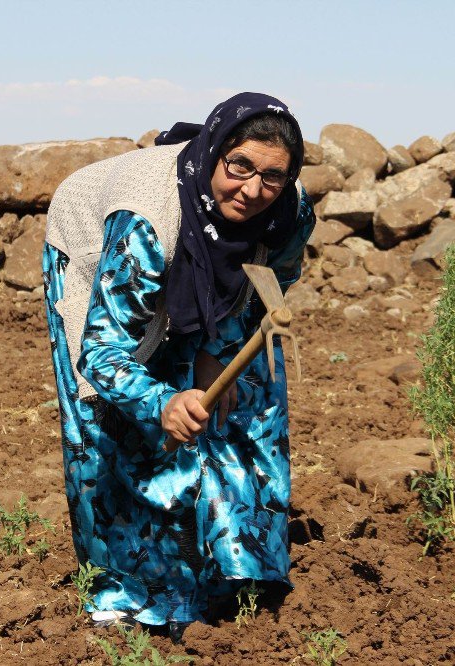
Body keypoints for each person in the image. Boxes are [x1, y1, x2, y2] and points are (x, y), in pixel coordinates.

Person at [42, 92, 316, 638]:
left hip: (215, 277)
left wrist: (219, 349)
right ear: (215, 152)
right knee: (103, 419)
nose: (252, 190)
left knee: (245, 394)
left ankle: (240, 568)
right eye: (239, 166)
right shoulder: (145, 221)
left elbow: (271, 283)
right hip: (97, 250)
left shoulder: (288, 209)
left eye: (272, 176)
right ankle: (123, 596)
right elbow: (99, 350)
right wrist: (160, 401)